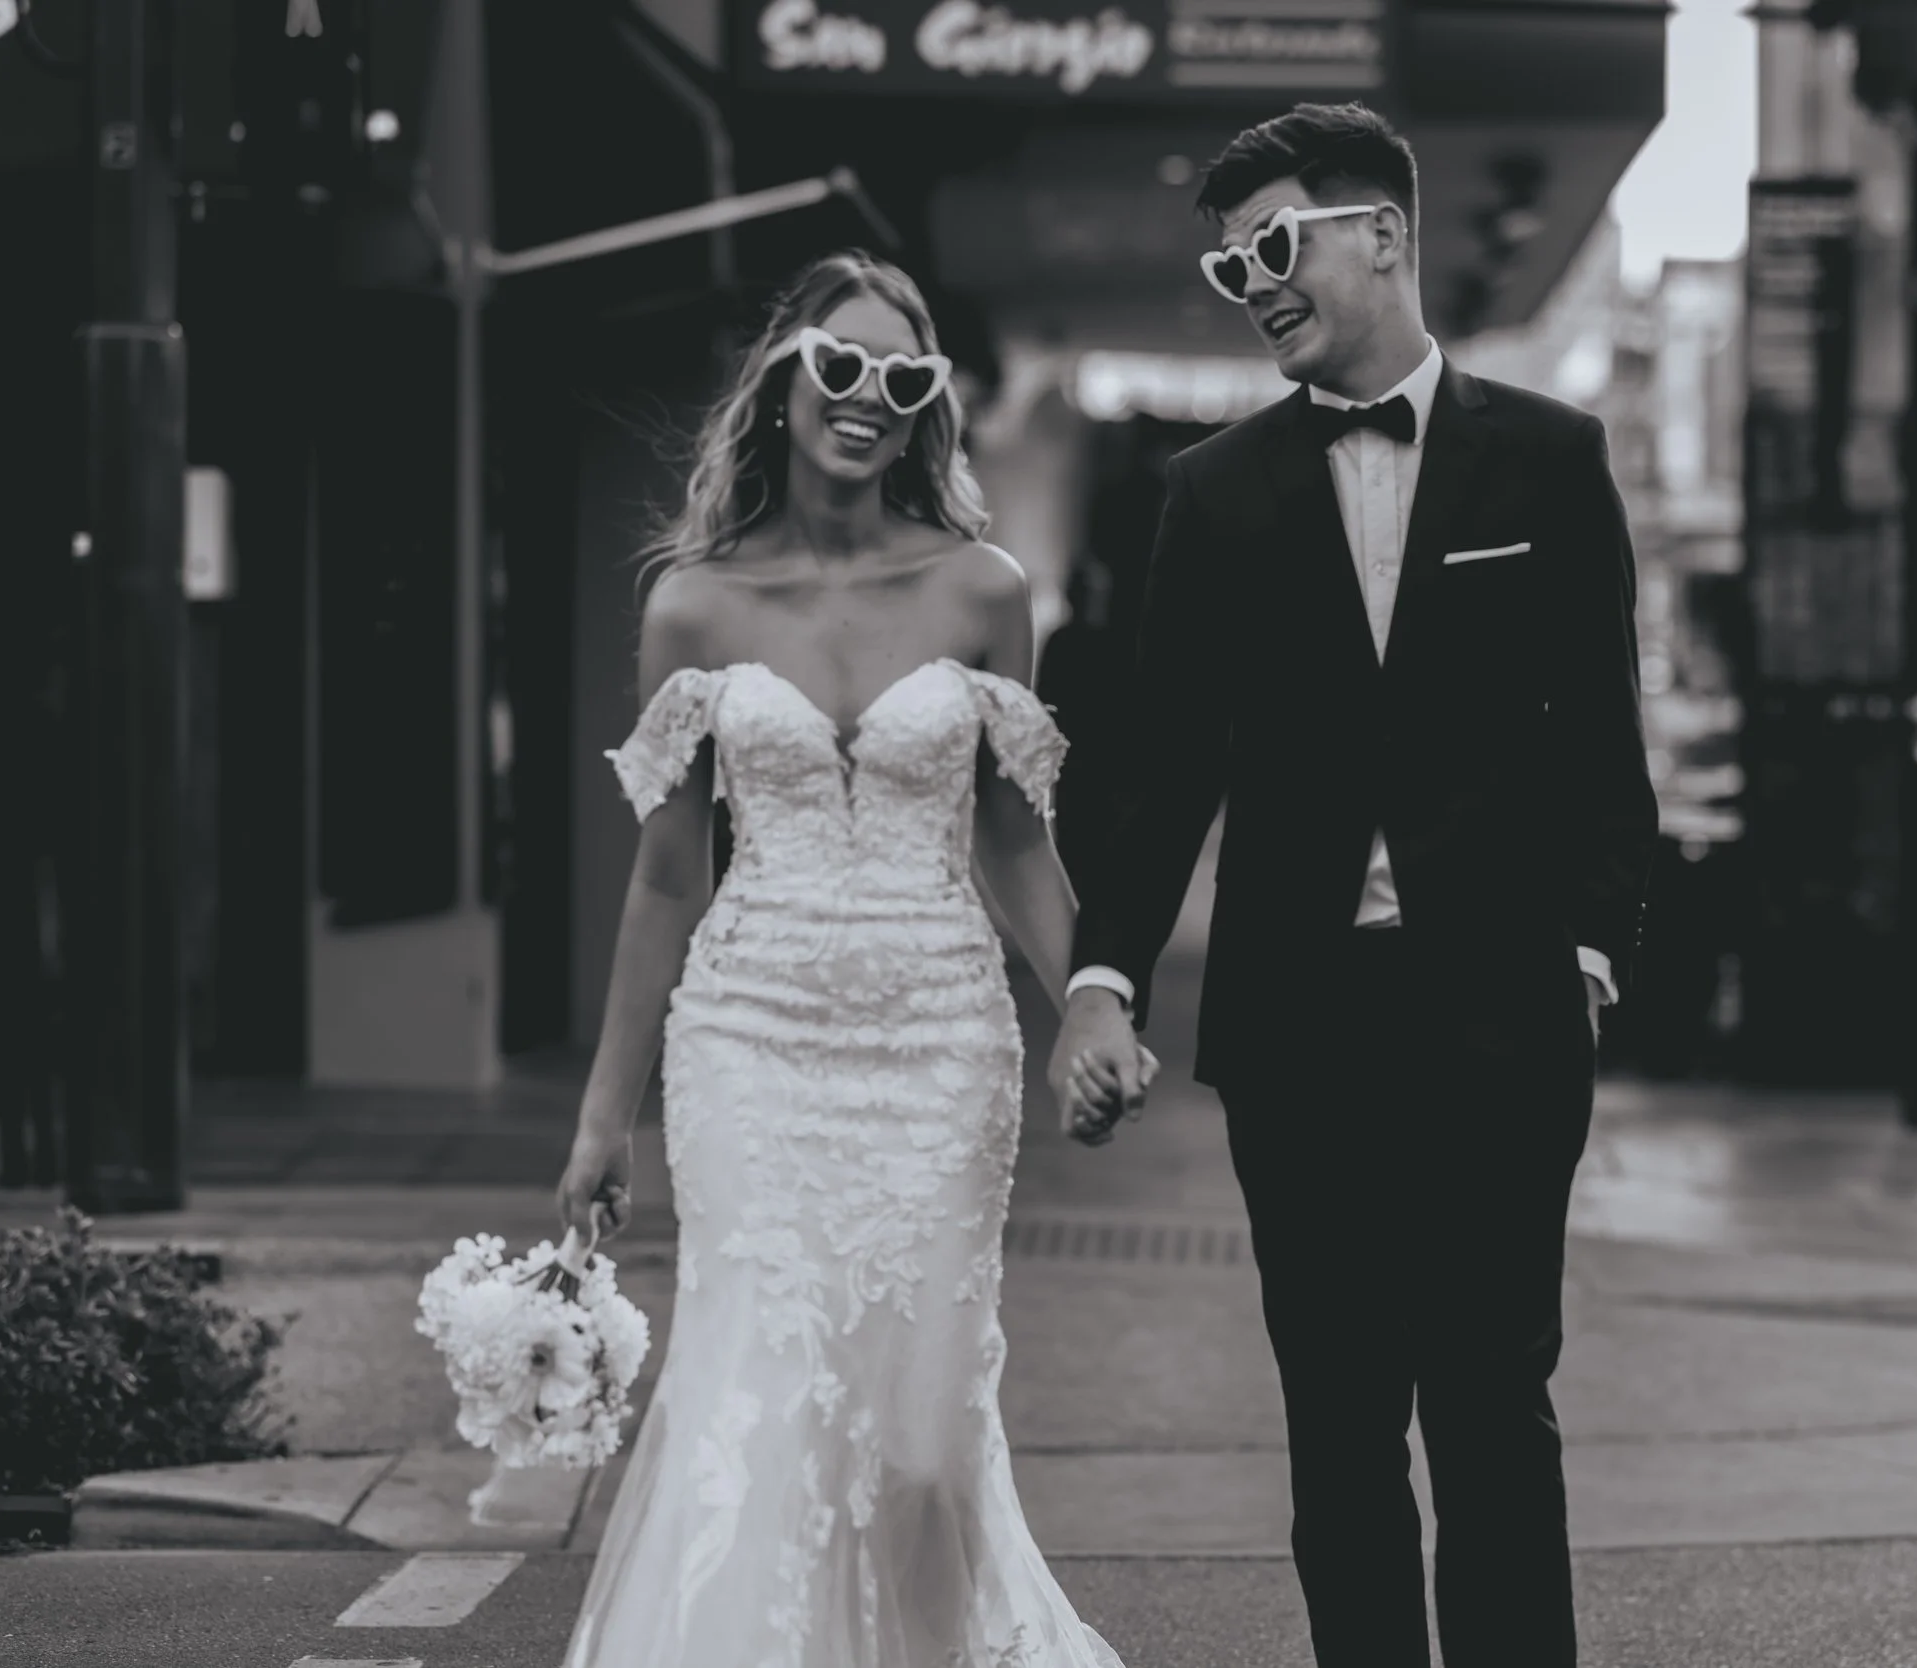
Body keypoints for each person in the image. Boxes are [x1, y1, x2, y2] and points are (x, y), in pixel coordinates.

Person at [1047, 104, 1660, 1668]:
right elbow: (1163, 769)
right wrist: (1104, 979)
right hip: (1300, 1031)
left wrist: (1589, 953)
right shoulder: (1213, 491)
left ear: (1381, 235)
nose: (1251, 283)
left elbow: (1603, 742)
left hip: (1505, 1018)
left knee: (1493, 1405)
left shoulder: (1552, 457)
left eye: (1274, 245)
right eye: (1229, 263)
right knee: (1338, 1424)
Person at [551, 249, 1137, 1668]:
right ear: (781, 382)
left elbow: (1011, 836)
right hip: (747, 1045)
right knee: (765, 1415)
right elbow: (666, 874)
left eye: (904, 376)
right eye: (841, 365)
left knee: (924, 1450)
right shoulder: (691, 605)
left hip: (942, 1047)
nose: (869, 396)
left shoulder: (983, 590)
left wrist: (1093, 1002)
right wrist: (601, 1118)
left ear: (931, 403)